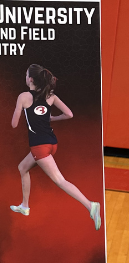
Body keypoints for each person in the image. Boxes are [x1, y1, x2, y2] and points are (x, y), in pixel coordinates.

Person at [10, 64, 101, 230]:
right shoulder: (50, 95)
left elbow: (14, 124)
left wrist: (19, 110)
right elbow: (69, 114)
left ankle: (91, 205)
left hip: (39, 147)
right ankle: (25, 206)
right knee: (23, 167)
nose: (25, 77)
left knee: (60, 180)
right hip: (52, 143)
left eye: (26, 75)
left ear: (30, 79)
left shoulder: (23, 96)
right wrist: (51, 118)